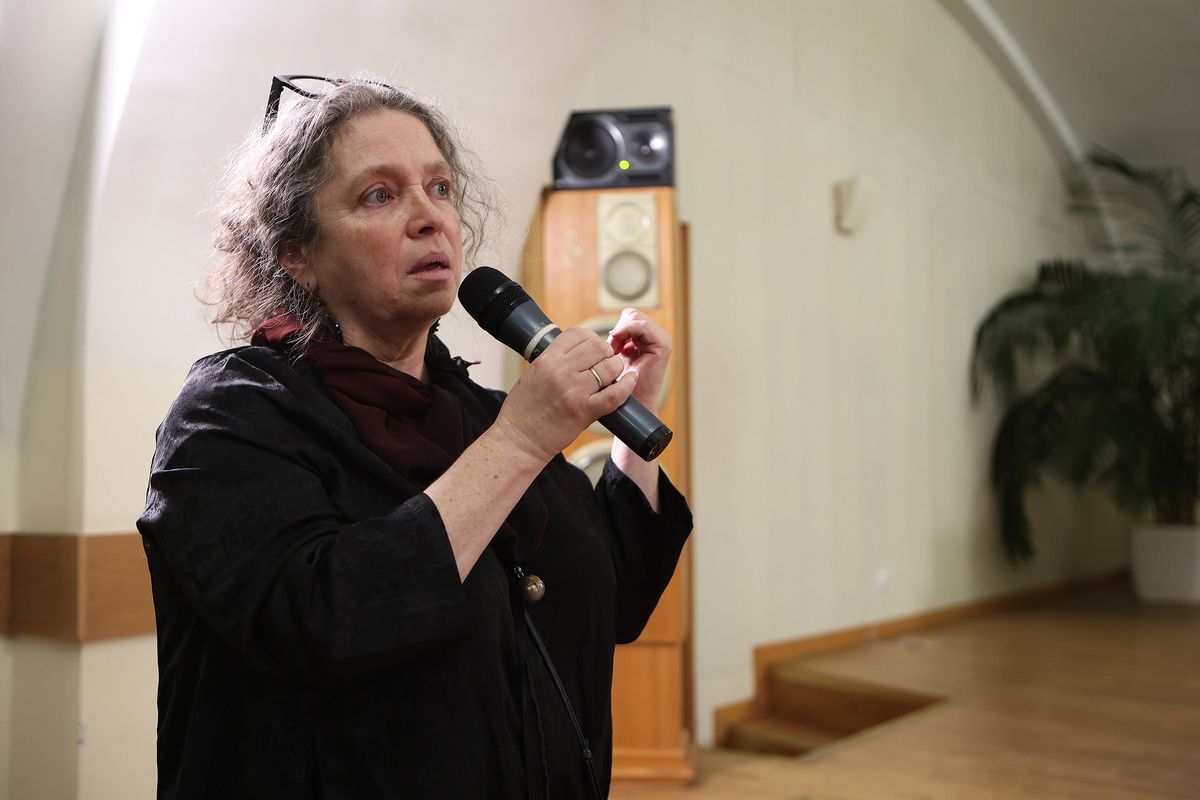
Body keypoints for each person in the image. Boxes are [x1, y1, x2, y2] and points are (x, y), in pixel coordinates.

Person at [136, 74, 692, 800]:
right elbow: (317, 621)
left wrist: (629, 420)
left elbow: (611, 604)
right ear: (298, 252)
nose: (430, 218)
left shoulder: (479, 412)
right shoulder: (234, 412)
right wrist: (522, 442)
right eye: (379, 195)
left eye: (439, 188)